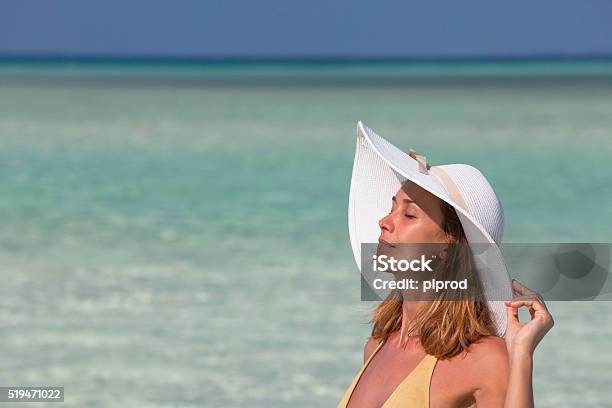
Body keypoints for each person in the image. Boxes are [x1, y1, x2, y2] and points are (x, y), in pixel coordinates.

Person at [338, 122, 554, 408]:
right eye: (392, 208)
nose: (384, 222)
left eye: (410, 215)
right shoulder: (376, 346)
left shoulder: (484, 359)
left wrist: (520, 351)